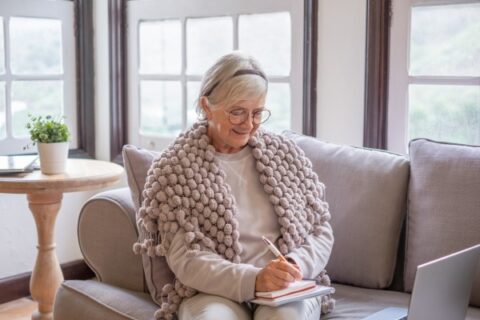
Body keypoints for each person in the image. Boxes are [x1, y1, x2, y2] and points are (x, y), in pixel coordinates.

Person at [136, 52, 334, 320]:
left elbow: (321, 229)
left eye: (257, 113)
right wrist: (253, 280)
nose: (249, 124)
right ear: (206, 106)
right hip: (212, 291)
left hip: (286, 289)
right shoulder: (173, 170)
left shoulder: (285, 155)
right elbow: (187, 258)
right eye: (237, 112)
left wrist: (295, 264)